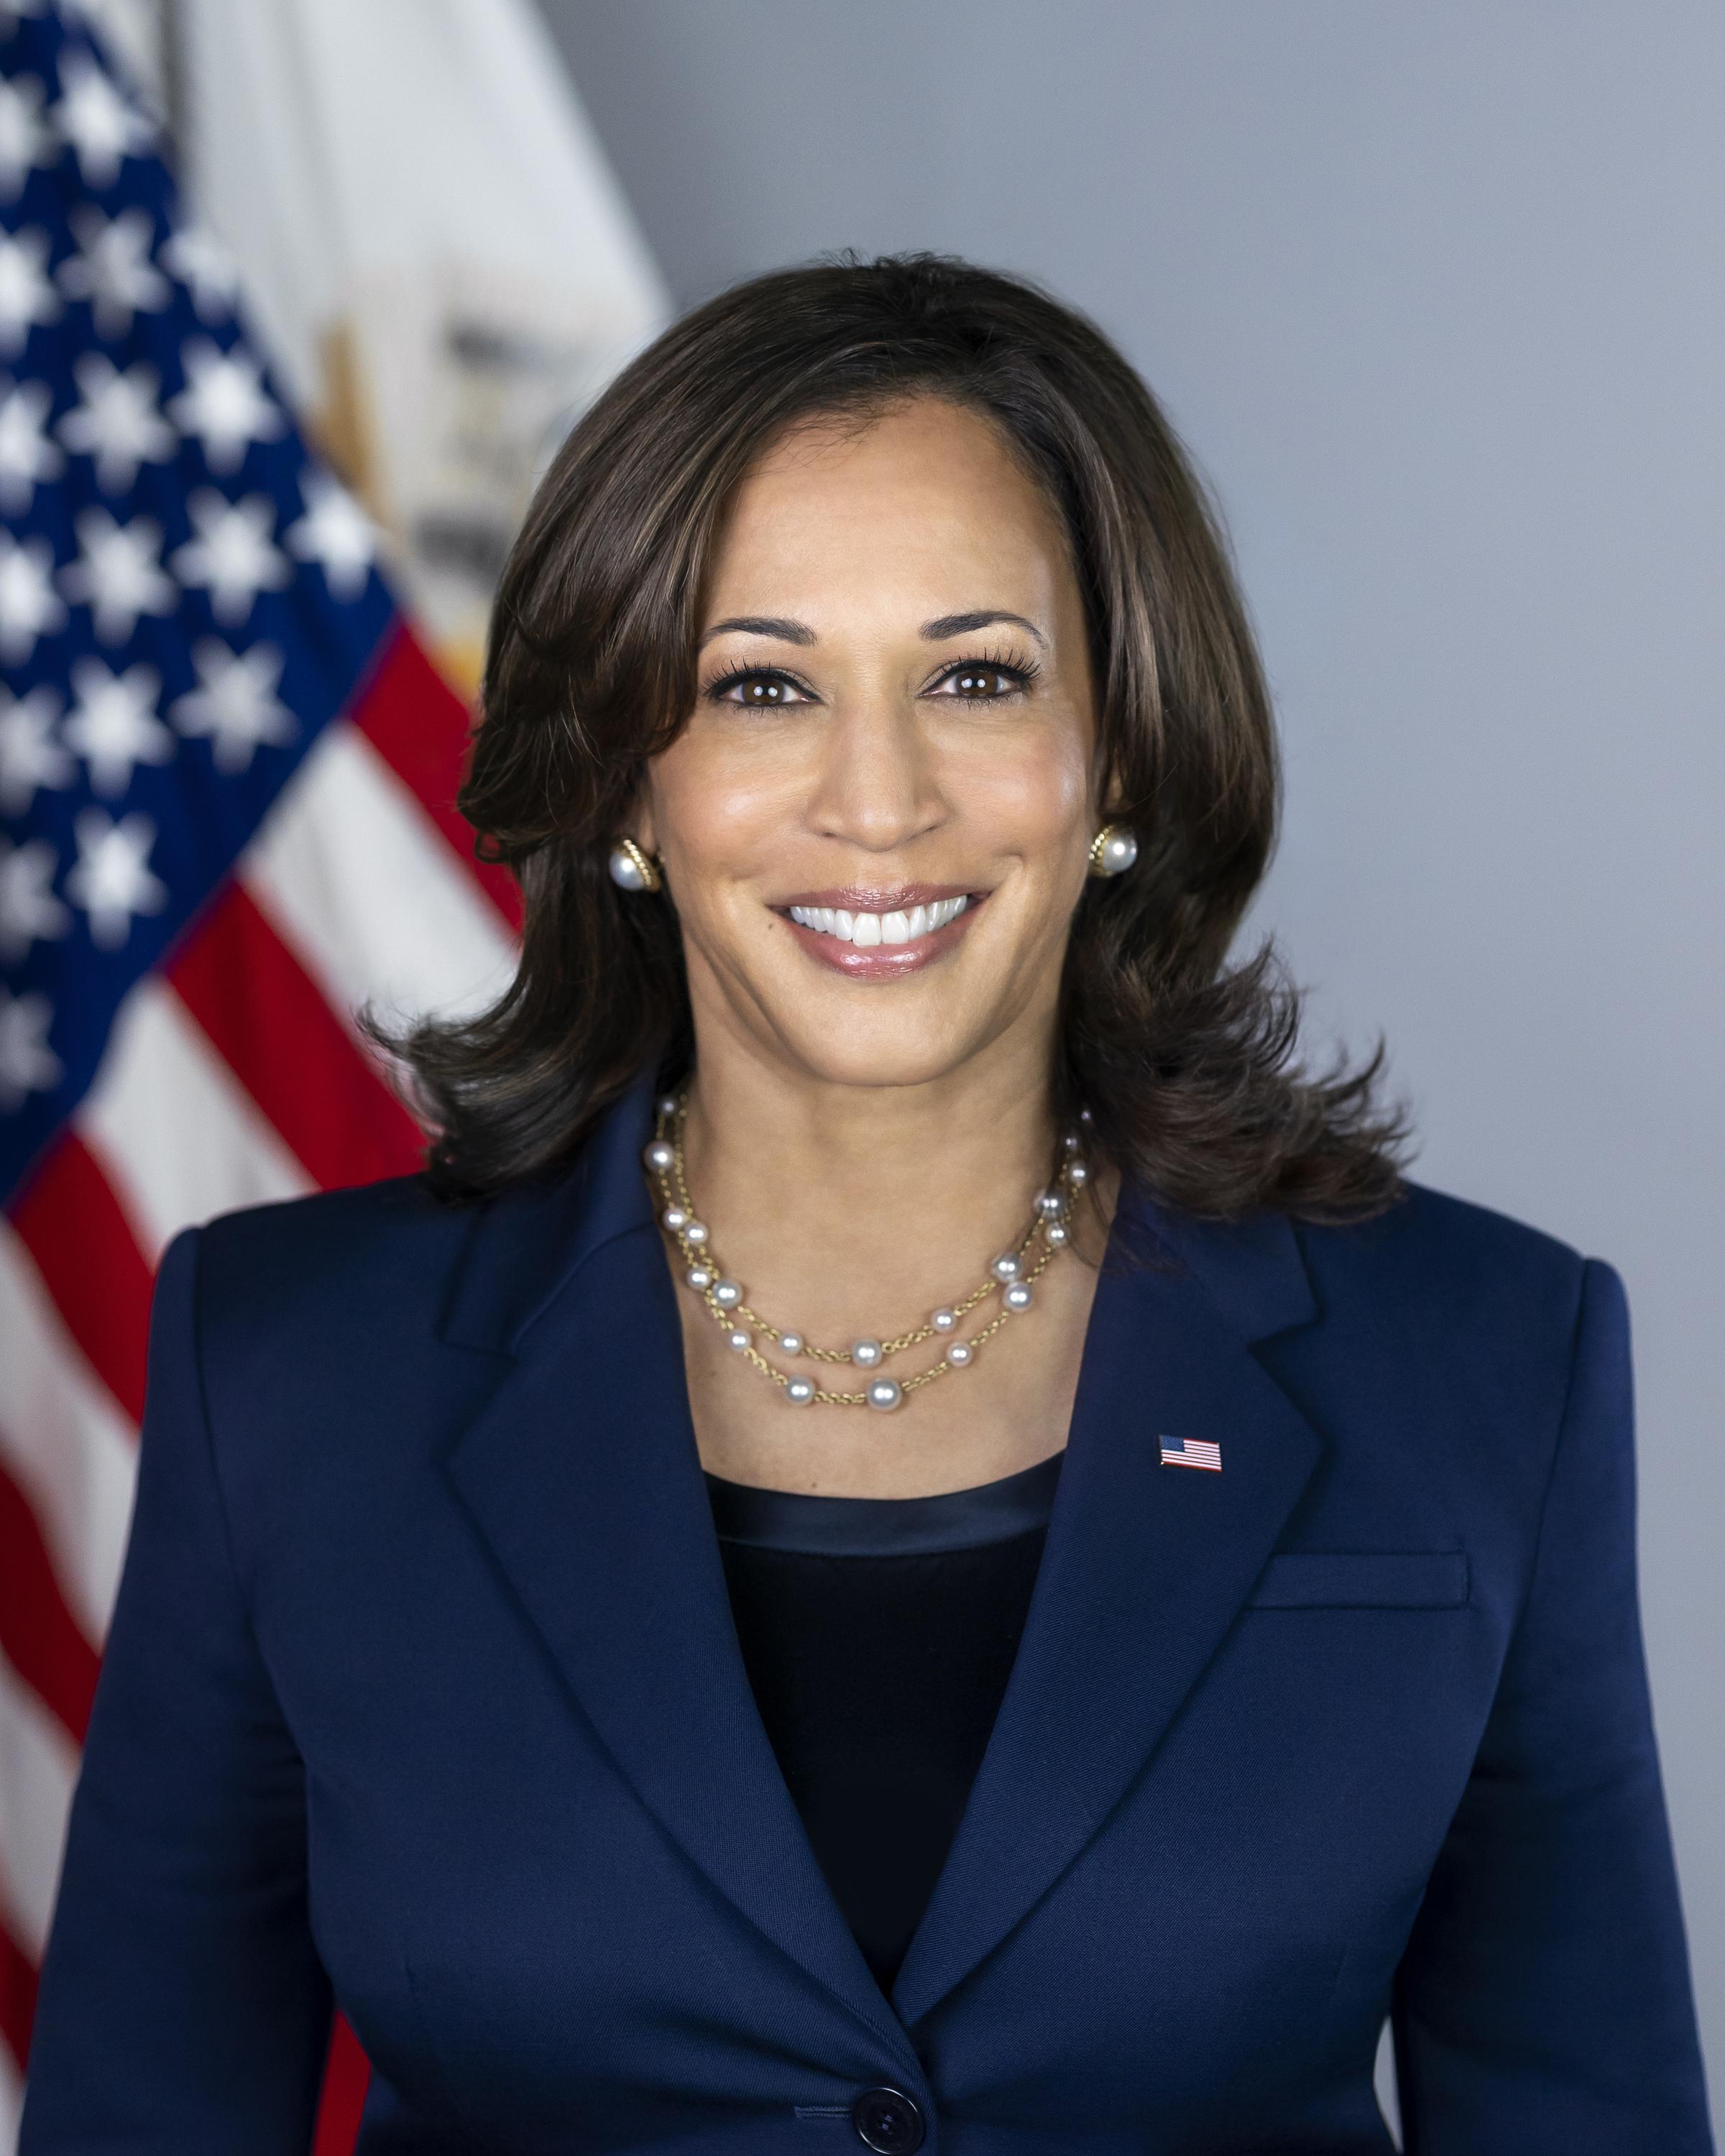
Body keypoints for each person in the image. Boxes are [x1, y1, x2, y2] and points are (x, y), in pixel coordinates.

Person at [20, 253, 1713, 2155]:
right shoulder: (288, 1375)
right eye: (761, 688)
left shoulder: (1487, 1363)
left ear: (1120, 753)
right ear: (632, 786)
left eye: (973, 676)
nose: (879, 798)